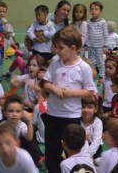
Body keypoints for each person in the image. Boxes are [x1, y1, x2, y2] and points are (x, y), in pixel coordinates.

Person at [42, 26, 95, 173]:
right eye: (56, 47)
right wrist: (54, 89)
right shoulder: (55, 62)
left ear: (73, 48)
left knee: (73, 153)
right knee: (51, 154)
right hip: (52, 115)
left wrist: (71, 93)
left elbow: (90, 92)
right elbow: (46, 83)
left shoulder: (83, 67)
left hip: (70, 117)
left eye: (60, 48)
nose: (57, 51)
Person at [86, 1, 108, 83]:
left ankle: (102, 75)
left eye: (96, 9)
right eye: (91, 9)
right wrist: (86, 44)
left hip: (99, 46)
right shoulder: (88, 22)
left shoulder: (103, 22)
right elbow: (87, 34)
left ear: (100, 11)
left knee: (100, 61)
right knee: (91, 61)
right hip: (91, 46)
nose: (93, 11)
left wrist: (105, 45)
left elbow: (105, 34)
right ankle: (92, 74)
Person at [81, 94, 103, 159]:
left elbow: (96, 141)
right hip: (80, 147)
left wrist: (88, 155)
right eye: (83, 107)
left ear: (95, 109)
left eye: (89, 107)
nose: (86, 110)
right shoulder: (77, 121)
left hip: (95, 149)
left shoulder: (97, 122)